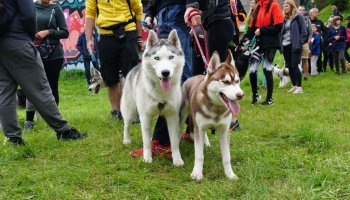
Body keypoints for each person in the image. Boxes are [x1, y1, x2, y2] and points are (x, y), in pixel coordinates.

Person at [0, 0, 87, 145]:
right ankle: (63, 131)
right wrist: (31, 36)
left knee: (5, 92)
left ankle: (13, 138)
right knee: (40, 88)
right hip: (19, 42)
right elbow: (28, 15)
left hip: (2, 46)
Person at [129, 0, 193, 158]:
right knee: (171, 76)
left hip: (179, 12)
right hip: (164, 13)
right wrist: (151, 11)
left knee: (182, 80)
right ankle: (193, 130)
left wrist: (193, 5)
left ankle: (162, 142)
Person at [85, 0, 143, 119]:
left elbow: (137, 9)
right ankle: (116, 112)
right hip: (106, 35)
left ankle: (135, 111)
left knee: (132, 75)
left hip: (128, 32)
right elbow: (90, 13)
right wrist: (89, 39)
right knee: (110, 77)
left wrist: (139, 37)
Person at [24, 0, 69, 131]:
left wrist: (48, 32)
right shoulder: (30, 7)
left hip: (54, 54)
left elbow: (65, 32)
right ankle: (29, 120)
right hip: (33, 53)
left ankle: (55, 120)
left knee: (52, 87)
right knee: (31, 86)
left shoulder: (56, 8)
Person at [241, 0, 284, 105]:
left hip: (271, 44)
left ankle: (269, 99)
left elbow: (278, 26)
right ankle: (255, 95)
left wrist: (262, 30)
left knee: (267, 68)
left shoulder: (274, 5)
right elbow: (252, 28)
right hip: (259, 45)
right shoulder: (259, 6)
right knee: (252, 69)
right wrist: (243, 40)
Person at [281, 0, 307, 94]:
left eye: (287, 6)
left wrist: (299, 42)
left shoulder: (298, 16)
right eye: (284, 6)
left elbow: (304, 31)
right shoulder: (284, 18)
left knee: (294, 65)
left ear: (292, 6)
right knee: (289, 67)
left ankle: (299, 87)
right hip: (285, 45)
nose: (285, 7)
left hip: (295, 45)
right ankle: (294, 85)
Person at [309, 8, 326, 73]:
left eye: (317, 12)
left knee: (319, 57)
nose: (317, 13)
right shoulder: (307, 21)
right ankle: (310, 70)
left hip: (318, 43)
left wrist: (320, 34)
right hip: (309, 42)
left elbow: (325, 31)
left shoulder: (320, 22)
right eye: (315, 12)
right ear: (311, 13)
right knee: (309, 57)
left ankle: (320, 70)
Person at [298, 5, 312, 81]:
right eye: (300, 10)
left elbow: (310, 31)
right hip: (297, 42)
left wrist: (309, 40)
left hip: (305, 43)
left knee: (305, 59)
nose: (301, 11)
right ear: (297, 10)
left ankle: (305, 75)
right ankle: (298, 74)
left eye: (303, 10)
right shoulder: (295, 19)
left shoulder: (307, 19)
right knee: (297, 60)